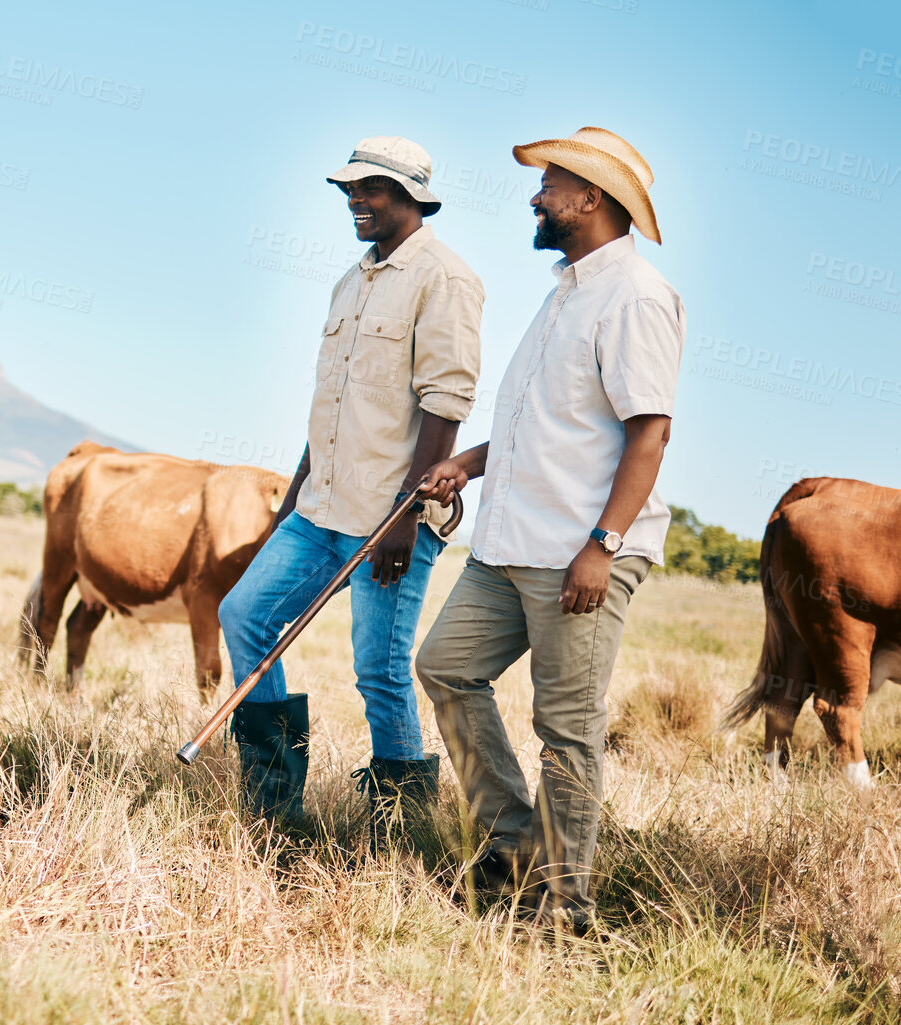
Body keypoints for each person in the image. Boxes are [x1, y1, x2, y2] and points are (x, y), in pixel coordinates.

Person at [414, 127, 684, 933]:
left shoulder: (635, 295)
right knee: (446, 667)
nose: (536, 196)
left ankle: (563, 910)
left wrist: (601, 546)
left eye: (550, 185)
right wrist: (467, 462)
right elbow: (548, 425)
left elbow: (650, 433)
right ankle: (514, 845)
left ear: (591, 198)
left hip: (579, 552)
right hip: (506, 544)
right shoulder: (564, 291)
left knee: (567, 733)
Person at [218, 136, 483, 828]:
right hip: (318, 510)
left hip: (387, 518)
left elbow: (445, 404)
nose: (355, 202)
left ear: (410, 196)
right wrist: (286, 509)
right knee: (244, 614)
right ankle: (274, 805)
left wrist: (405, 511)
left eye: (370, 190)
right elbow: (330, 413)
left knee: (381, 672)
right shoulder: (349, 281)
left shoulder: (445, 279)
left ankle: (401, 829)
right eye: (349, 190)